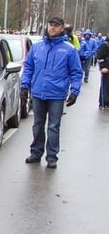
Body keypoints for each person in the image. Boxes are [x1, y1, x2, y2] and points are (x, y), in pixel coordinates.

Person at [21, 16, 83, 169]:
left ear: (62, 28)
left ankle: (51, 157)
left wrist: (74, 91)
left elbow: (76, 72)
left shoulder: (69, 49)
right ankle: (36, 152)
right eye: (51, 25)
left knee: (53, 126)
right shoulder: (37, 47)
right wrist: (24, 85)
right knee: (37, 125)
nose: (52, 28)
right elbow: (29, 67)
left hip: (57, 94)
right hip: (38, 93)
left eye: (56, 26)